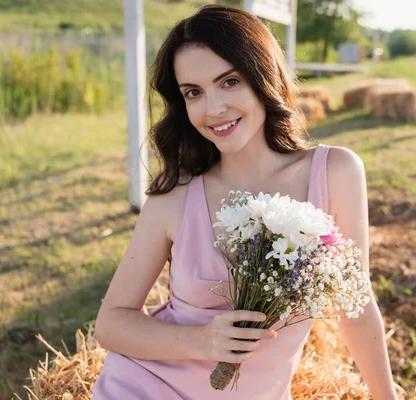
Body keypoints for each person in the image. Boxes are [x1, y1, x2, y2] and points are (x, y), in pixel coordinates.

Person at [91, 5, 398, 400]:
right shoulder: (175, 197)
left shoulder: (335, 172)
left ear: (263, 76)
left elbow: (355, 307)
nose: (213, 108)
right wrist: (200, 341)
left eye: (230, 81)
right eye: (193, 92)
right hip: (147, 388)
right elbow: (111, 325)